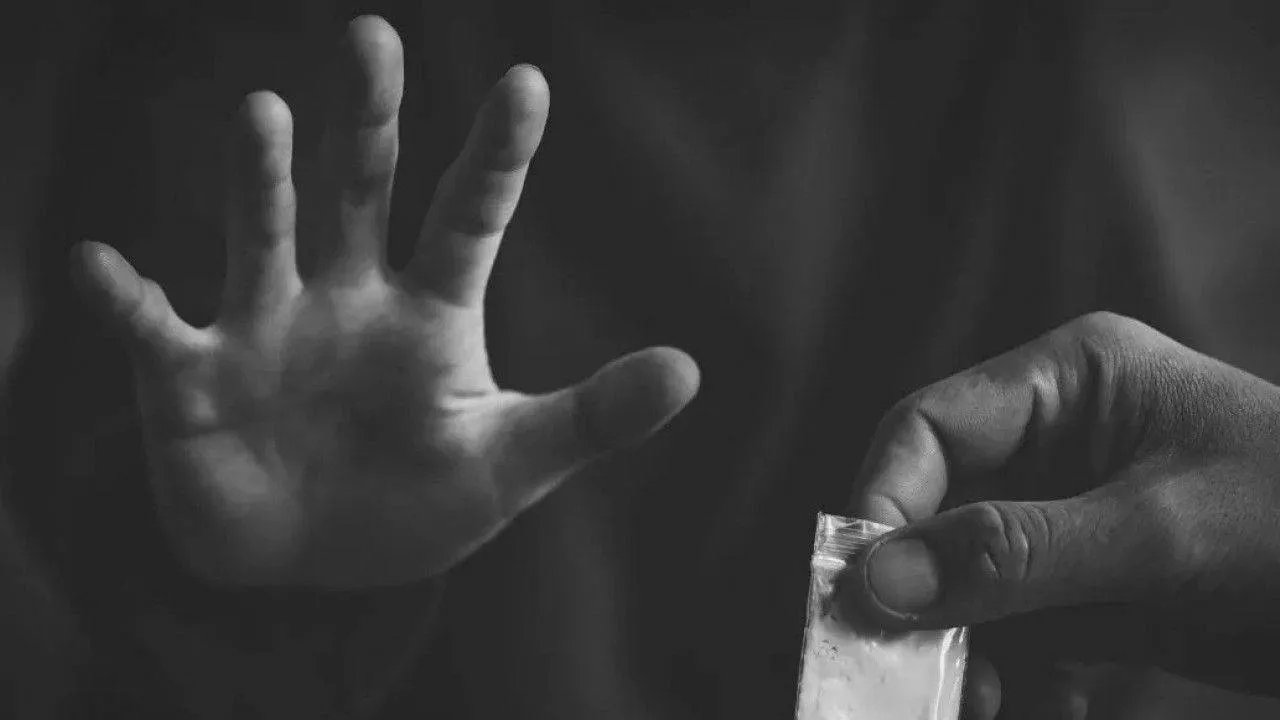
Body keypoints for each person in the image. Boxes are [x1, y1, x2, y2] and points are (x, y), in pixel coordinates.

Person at [5, 2, 1280, 718]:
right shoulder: (259, 46)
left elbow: (1130, 526)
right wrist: (266, 593)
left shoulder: (986, 61)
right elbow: (109, 488)